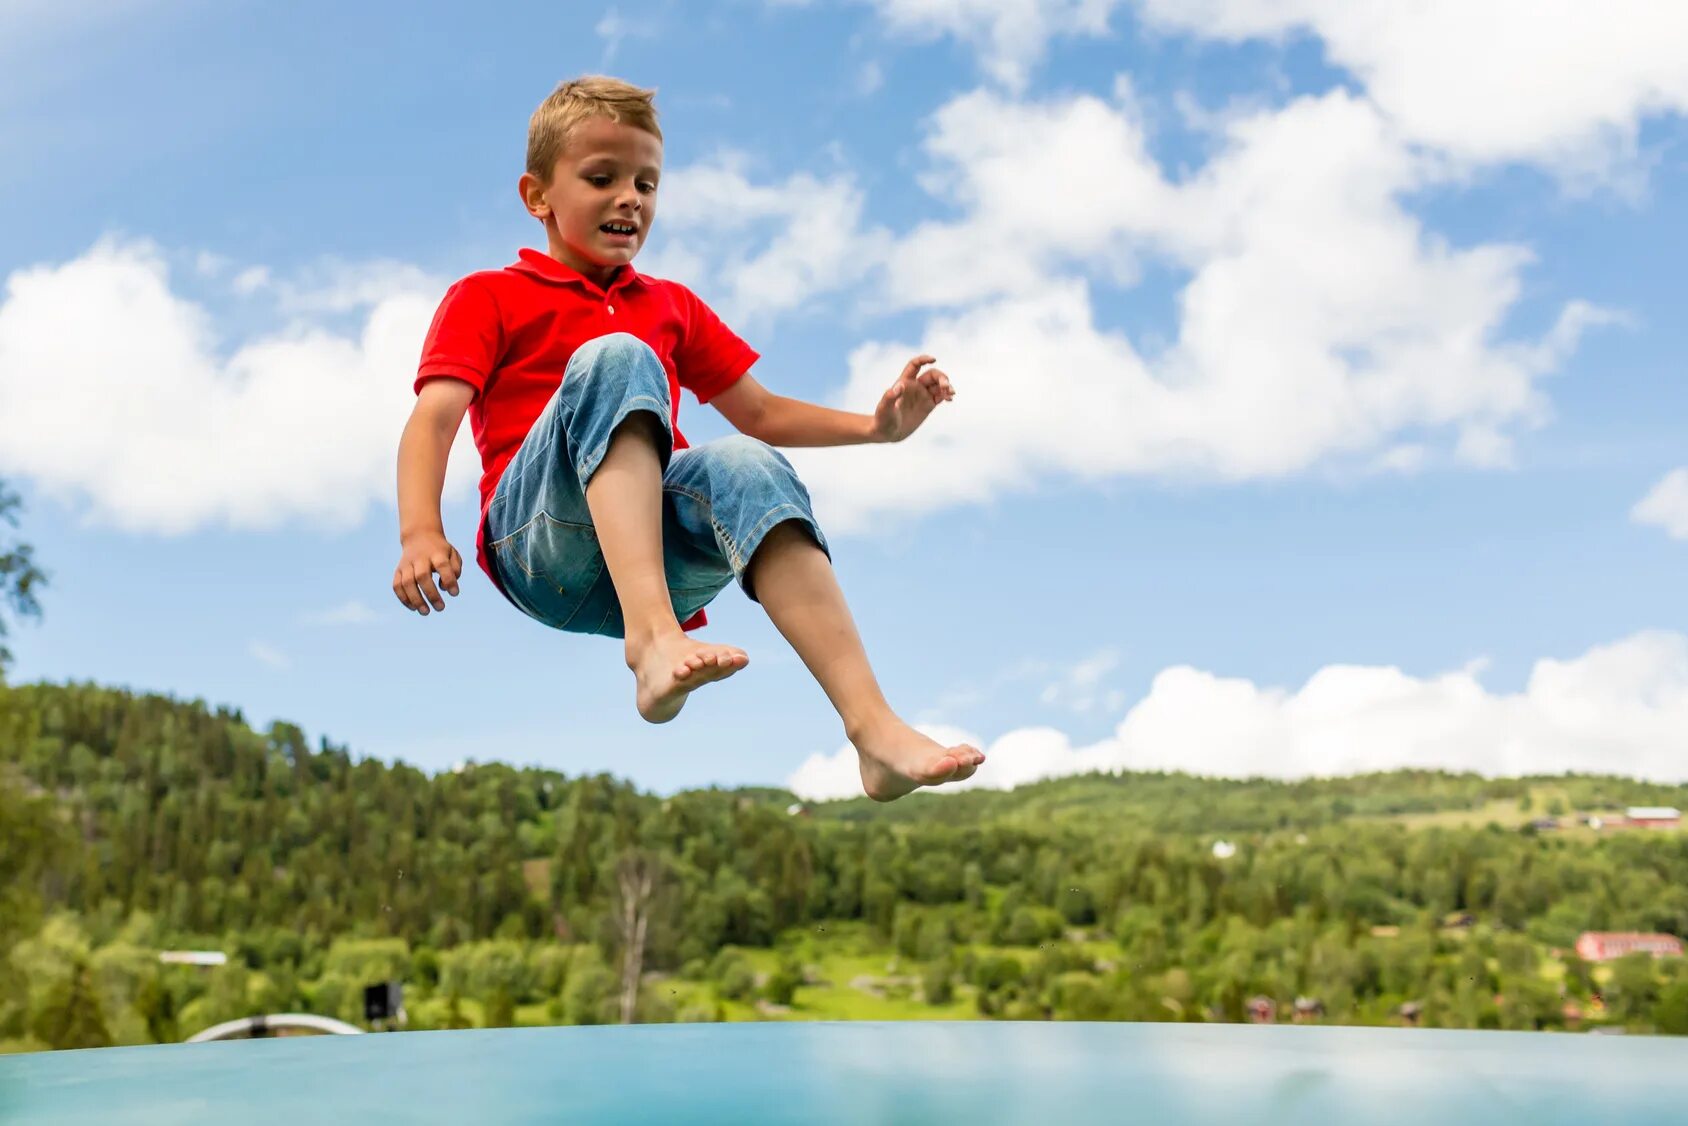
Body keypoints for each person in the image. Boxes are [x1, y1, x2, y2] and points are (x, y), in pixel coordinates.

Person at [392, 75, 983, 802]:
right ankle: (652, 641)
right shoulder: (488, 296)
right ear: (537, 195)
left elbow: (759, 413)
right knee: (620, 356)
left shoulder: (669, 305)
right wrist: (421, 529)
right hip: (543, 545)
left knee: (747, 461)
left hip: (661, 556)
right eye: (601, 178)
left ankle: (874, 730)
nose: (629, 198)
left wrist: (877, 429)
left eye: (646, 182)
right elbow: (435, 417)